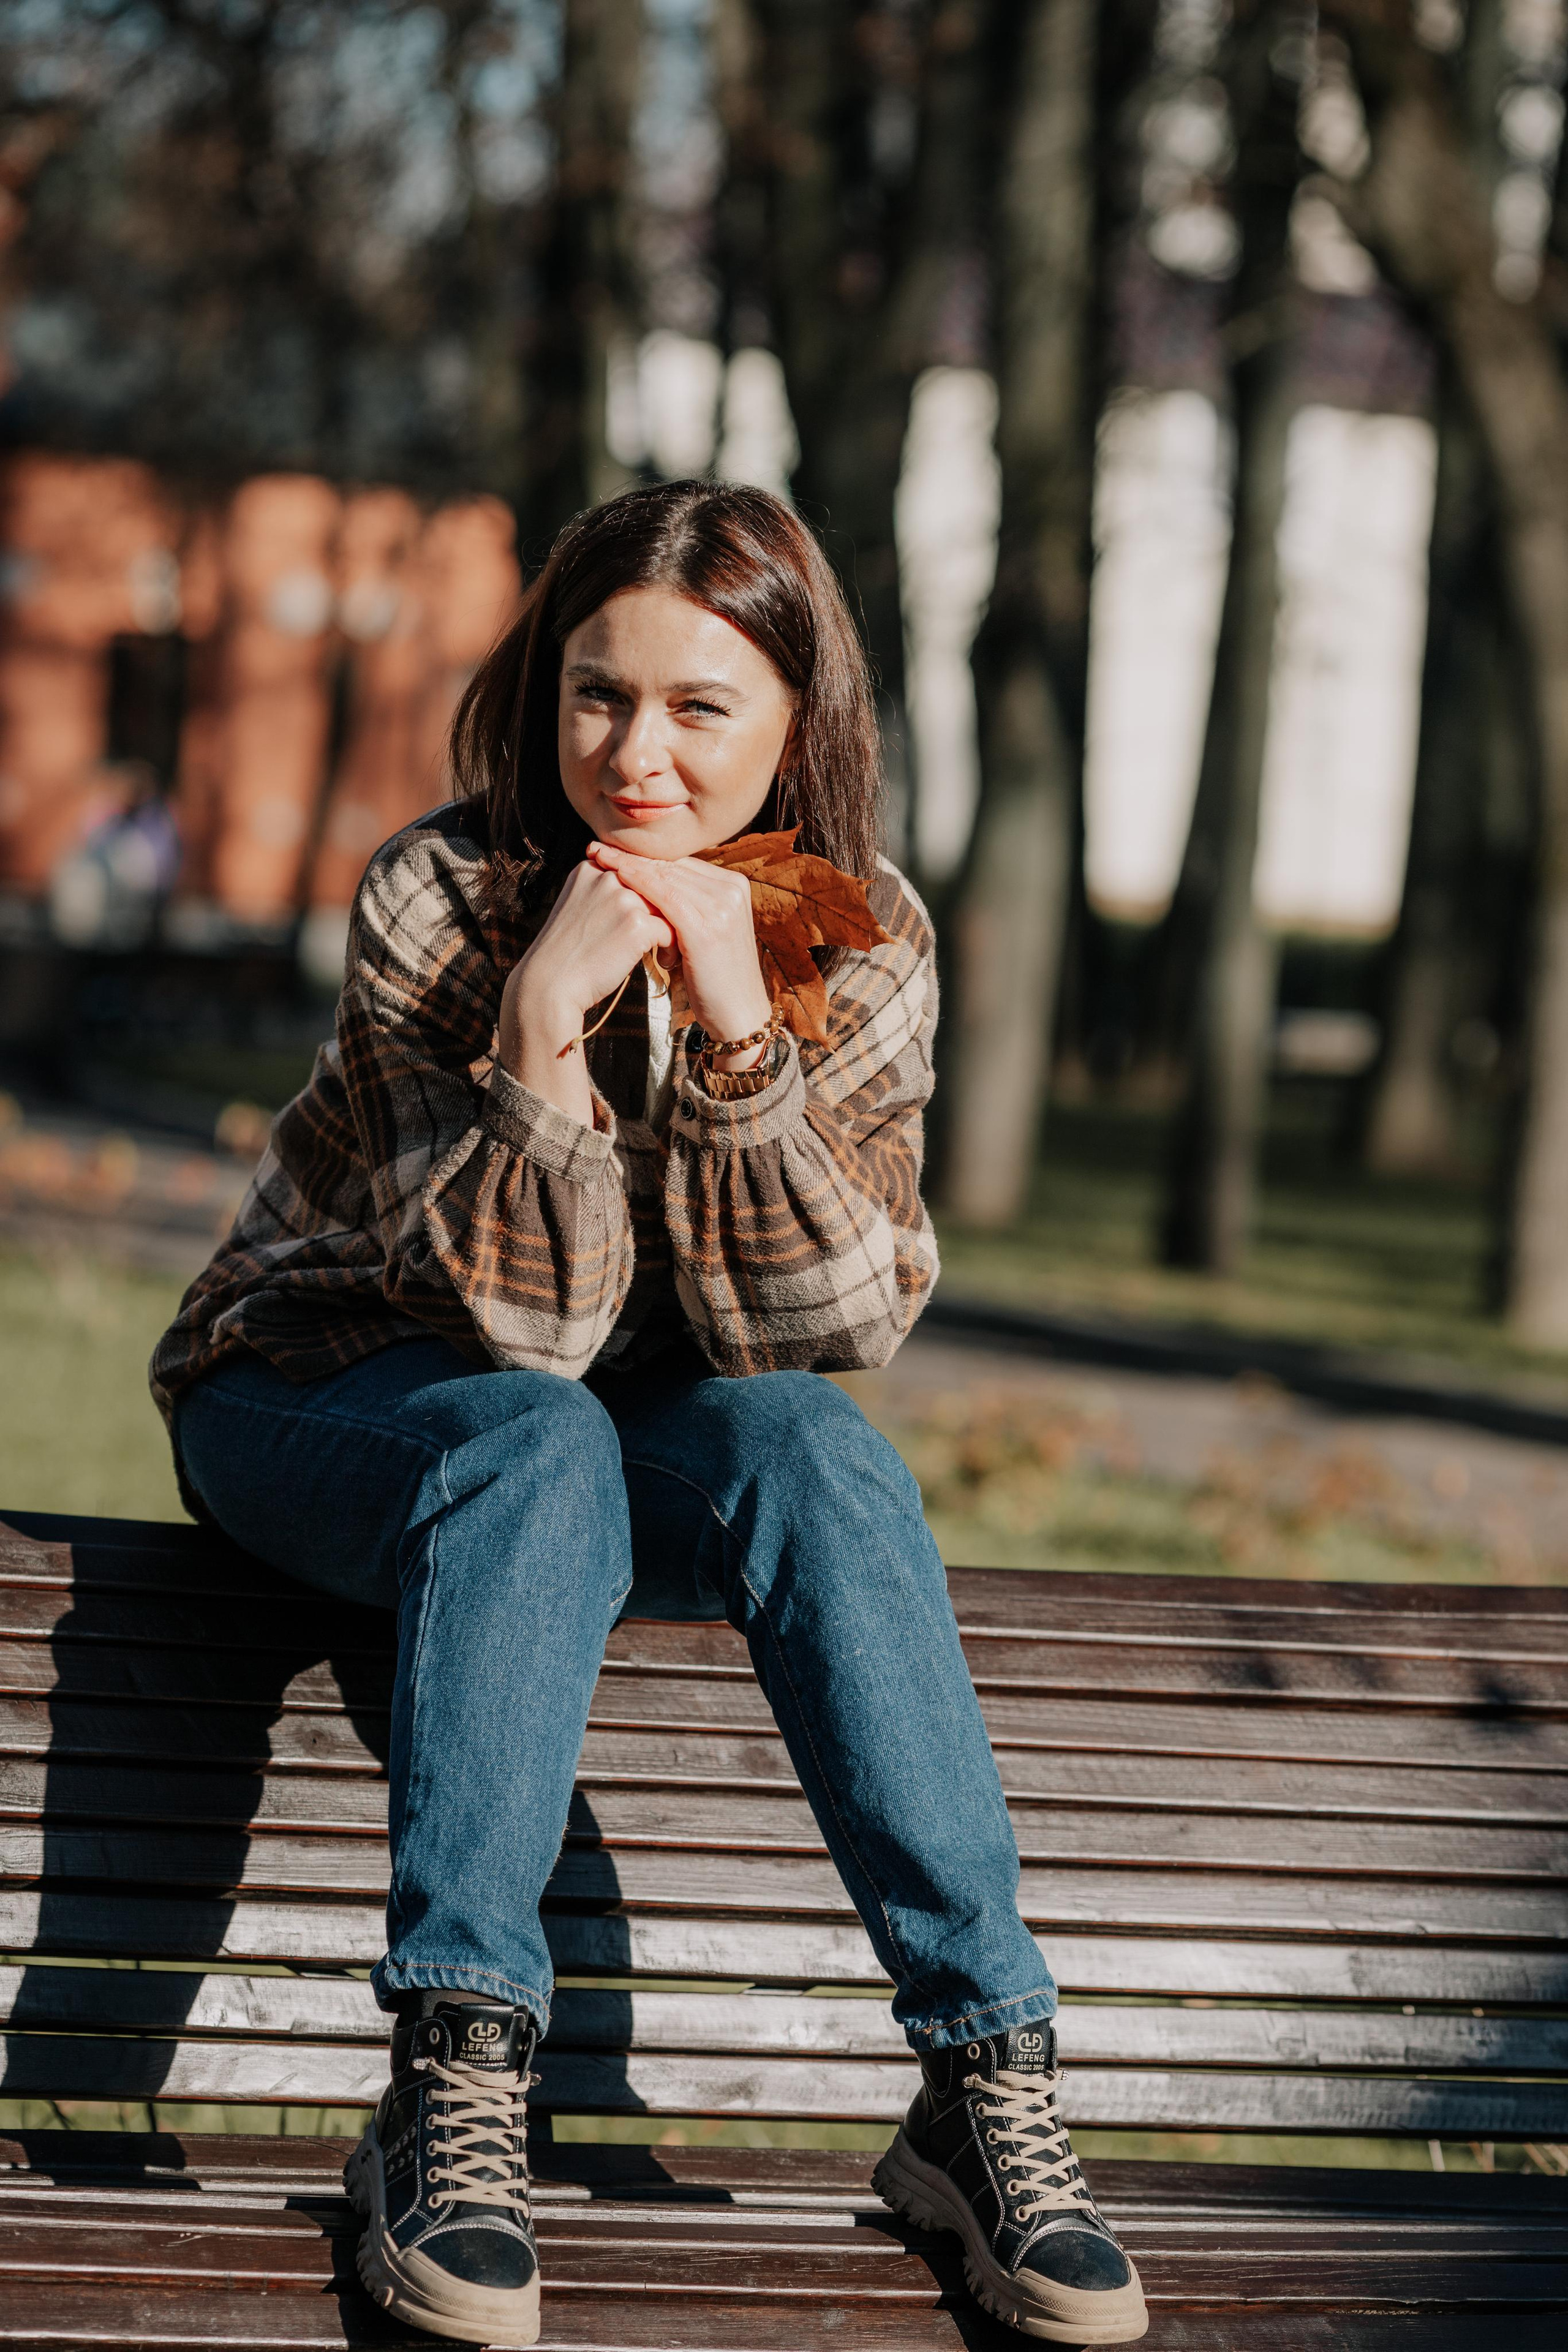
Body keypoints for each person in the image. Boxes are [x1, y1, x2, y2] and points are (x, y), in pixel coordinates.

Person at [149, 481, 1148, 2349]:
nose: (637, 756)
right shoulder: (445, 897)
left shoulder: (855, 935)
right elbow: (524, 1332)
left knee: (824, 1462)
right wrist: (539, 1033)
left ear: (797, 726)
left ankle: (984, 2080)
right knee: (531, 1444)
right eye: (598, 695)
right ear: (546, 693)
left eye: (702, 708)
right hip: (324, 1386)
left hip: (606, 1434)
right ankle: (452, 2083)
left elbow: (838, 1323)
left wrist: (741, 1037)